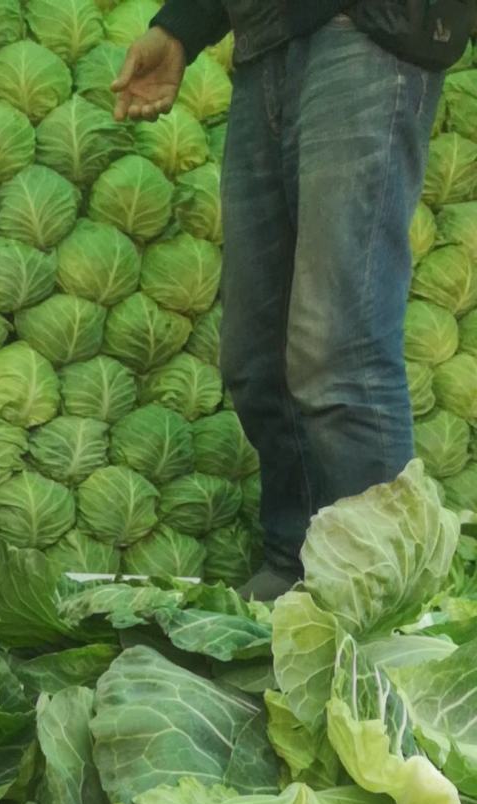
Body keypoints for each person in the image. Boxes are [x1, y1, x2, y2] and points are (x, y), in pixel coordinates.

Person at [112, 3, 476, 600]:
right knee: (258, 362)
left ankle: (378, 604)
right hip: (267, 41)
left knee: (339, 355)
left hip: (370, 29)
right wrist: (182, 28)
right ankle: (295, 575)